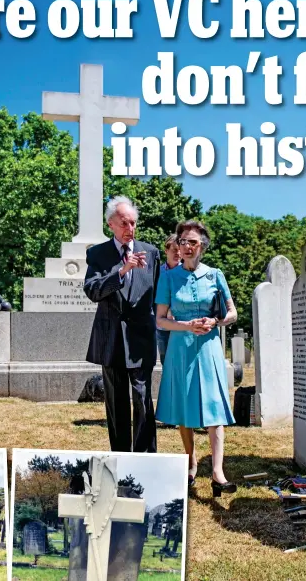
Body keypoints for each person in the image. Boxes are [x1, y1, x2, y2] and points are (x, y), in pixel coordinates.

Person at [155, 220, 238, 496]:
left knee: (214, 406)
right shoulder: (168, 277)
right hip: (181, 347)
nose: (186, 247)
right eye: (182, 242)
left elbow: (232, 313)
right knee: (184, 407)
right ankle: (191, 461)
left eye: (192, 242)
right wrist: (187, 325)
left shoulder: (216, 275)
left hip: (210, 347)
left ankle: (217, 472)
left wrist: (215, 321)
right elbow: (161, 320)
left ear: (202, 246)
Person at [83, 196, 160, 453]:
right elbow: (92, 290)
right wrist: (122, 271)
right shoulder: (97, 254)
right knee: (116, 404)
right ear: (111, 224)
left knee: (142, 400)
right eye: (125, 223)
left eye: (134, 223)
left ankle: (146, 459)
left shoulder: (151, 253)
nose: (131, 229)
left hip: (141, 339)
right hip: (111, 339)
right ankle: (120, 458)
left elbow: (159, 295)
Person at [156, 233, 181, 366]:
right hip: (163, 327)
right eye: (174, 250)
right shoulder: (157, 273)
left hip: (183, 325)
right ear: (166, 251)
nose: (177, 253)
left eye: (179, 250)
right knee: (167, 364)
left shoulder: (187, 271)